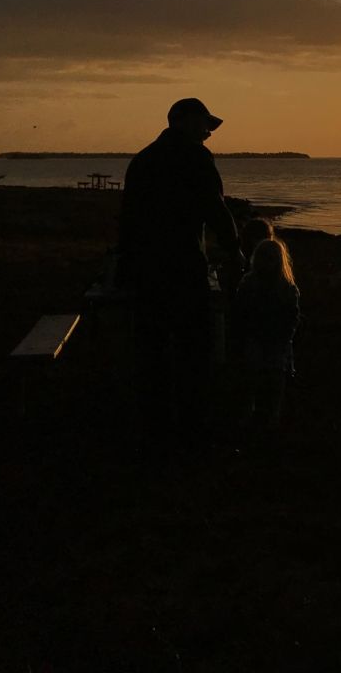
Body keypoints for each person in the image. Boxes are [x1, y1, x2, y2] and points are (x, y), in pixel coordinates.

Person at [118, 97, 240, 460]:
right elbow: (215, 207)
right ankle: (194, 435)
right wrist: (233, 247)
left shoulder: (141, 161)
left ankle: (154, 434)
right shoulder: (196, 158)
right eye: (205, 125)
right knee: (194, 354)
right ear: (183, 121)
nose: (208, 133)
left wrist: (126, 264)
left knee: (151, 354)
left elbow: (128, 220)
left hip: (146, 272)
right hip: (185, 269)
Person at [233, 238, 301, 432]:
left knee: (273, 379)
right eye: (263, 258)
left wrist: (286, 336)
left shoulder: (285, 289)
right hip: (257, 337)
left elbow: (292, 316)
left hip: (275, 340)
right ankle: (253, 413)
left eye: (270, 258)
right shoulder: (252, 285)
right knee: (255, 378)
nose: (266, 262)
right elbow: (240, 312)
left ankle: (270, 415)